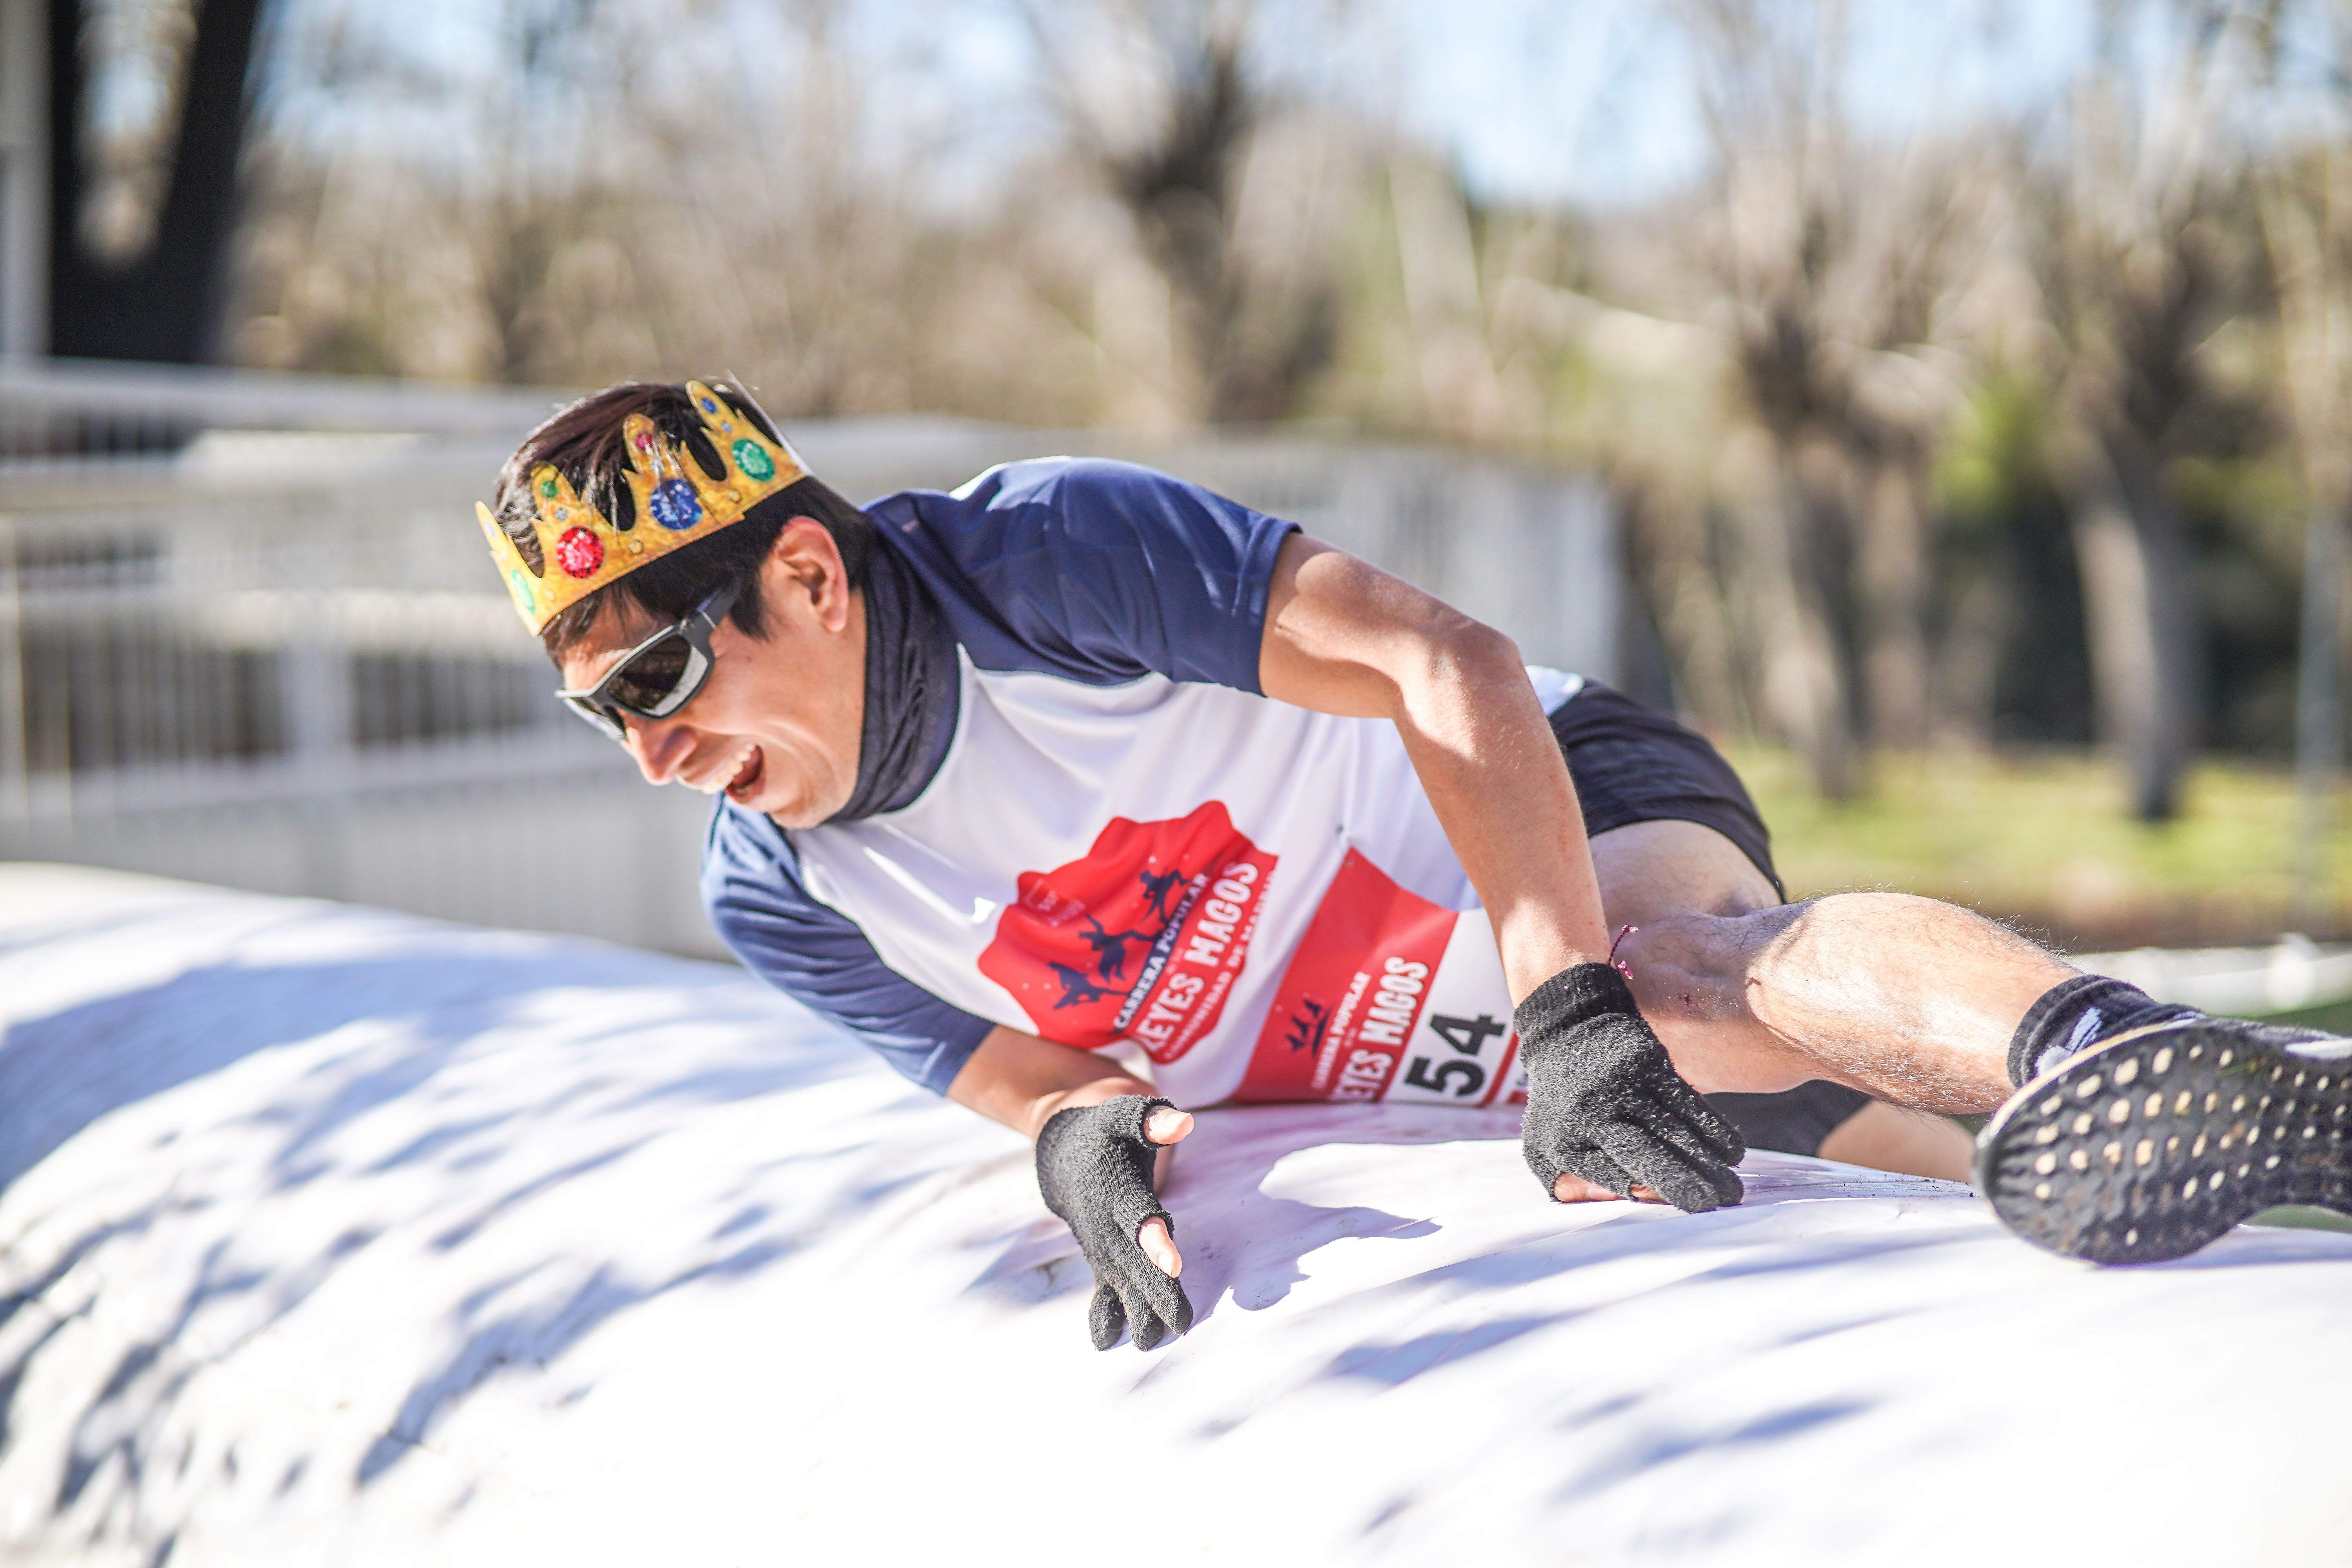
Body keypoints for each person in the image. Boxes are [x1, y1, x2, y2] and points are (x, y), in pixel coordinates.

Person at [479, 379, 2352, 1350]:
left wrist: (1566, 999)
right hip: (1442, 1062)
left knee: (1689, 982)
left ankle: (2098, 1036)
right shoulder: (771, 893)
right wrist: (1072, 1135)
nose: (651, 749)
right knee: (1921, 1156)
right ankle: (2280, 1151)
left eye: (660, 673)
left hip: (1533, 835)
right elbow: (1030, 1075)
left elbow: (1436, 664)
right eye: (602, 714)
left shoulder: (1035, 562)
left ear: (803, 576)